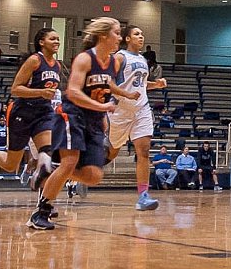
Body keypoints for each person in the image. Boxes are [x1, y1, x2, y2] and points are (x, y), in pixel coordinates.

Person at [30, 18, 140, 231]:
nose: (119, 38)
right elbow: (72, 92)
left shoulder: (114, 62)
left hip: (94, 119)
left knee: (93, 176)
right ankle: (41, 212)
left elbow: (107, 83)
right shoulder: (84, 58)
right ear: (103, 36)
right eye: (117, 33)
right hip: (72, 114)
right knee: (70, 162)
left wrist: (107, 110)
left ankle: (48, 169)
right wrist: (102, 108)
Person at [105, 26, 168, 211]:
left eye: (142, 34)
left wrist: (156, 84)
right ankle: (83, 174)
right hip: (120, 111)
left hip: (141, 110)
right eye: (136, 34)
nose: (141, 37)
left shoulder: (142, 59)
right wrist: (126, 94)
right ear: (126, 38)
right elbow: (107, 82)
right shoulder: (119, 57)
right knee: (112, 152)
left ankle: (143, 196)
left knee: (144, 152)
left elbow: (139, 85)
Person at [0, 29, 61, 183]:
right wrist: (42, 92)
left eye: (58, 39)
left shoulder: (57, 65)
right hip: (23, 112)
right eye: (53, 39)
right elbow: (16, 89)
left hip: (44, 112)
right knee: (10, 165)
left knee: (47, 152)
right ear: (41, 42)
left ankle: (44, 202)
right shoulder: (34, 60)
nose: (57, 41)